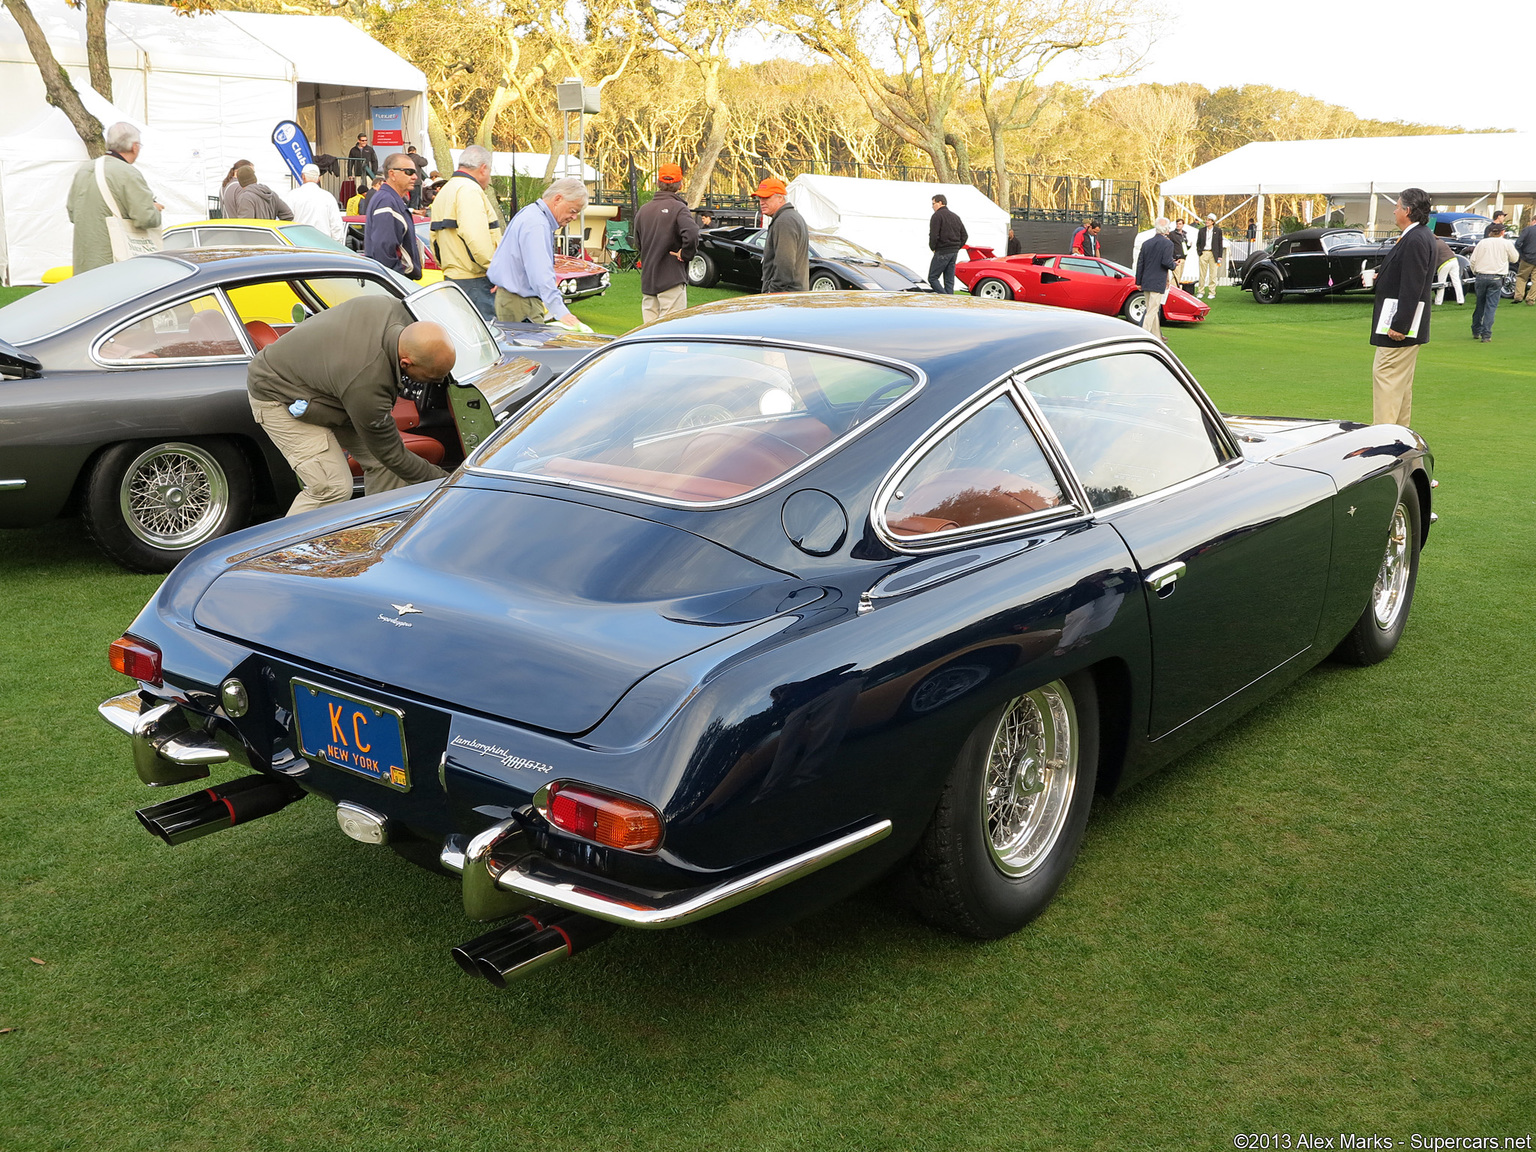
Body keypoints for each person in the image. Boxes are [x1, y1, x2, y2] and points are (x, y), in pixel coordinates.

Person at [246, 295, 454, 515]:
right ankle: (281, 548)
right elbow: (393, 455)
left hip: (326, 389)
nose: (437, 383)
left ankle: (378, 529)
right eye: (431, 378)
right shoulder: (368, 382)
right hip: (277, 393)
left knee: (385, 465)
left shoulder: (391, 307)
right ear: (406, 362)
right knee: (331, 488)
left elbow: (388, 458)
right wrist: (450, 485)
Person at [487, 176, 593, 330]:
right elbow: (540, 274)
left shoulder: (530, 213)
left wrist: (505, 280)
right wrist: (561, 312)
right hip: (521, 304)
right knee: (531, 353)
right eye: (573, 211)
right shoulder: (537, 224)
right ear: (557, 199)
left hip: (511, 299)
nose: (574, 217)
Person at [1369, 187, 1436, 426]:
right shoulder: (1417, 235)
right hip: (1405, 325)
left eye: (1397, 206)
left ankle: (1384, 440)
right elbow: (1406, 275)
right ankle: (1399, 437)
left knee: (1387, 378)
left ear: (1407, 210)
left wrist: (1400, 324)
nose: (1395, 211)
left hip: (1400, 328)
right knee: (1400, 384)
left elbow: (1413, 285)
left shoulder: (1416, 238)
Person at [66, 121, 163, 273]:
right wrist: (155, 209)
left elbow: (72, 214)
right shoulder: (128, 173)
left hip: (83, 262)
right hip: (114, 262)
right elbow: (145, 218)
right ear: (134, 147)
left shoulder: (83, 170)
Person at [428, 144, 504, 321]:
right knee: (484, 341)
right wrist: (496, 271)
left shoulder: (445, 191)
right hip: (476, 280)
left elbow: (434, 238)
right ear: (483, 168)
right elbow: (475, 237)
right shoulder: (470, 190)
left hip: (453, 278)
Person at [633, 161, 700, 323]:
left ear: (658, 183)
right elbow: (691, 233)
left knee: (648, 334)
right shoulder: (679, 208)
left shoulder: (644, 210)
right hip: (671, 280)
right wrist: (686, 254)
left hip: (649, 281)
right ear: (680, 185)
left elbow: (638, 243)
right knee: (671, 336)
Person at [364, 153, 422, 279]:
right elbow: (383, 250)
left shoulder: (391, 200)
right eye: (409, 172)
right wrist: (398, 281)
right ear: (392, 174)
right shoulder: (386, 201)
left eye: (415, 172)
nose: (415, 177)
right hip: (393, 283)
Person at [752, 177, 808, 293]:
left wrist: (772, 292)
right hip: (791, 296)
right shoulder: (789, 217)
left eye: (766, 197)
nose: (762, 202)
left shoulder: (784, 221)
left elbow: (785, 263)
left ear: (780, 198)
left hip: (785, 298)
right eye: (760, 198)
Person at [1468, 223, 1519, 342]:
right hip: (1496, 277)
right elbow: (1515, 258)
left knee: (1480, 304)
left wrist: (1476, 272)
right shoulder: (1506, 243)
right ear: (1502, 232)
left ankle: (1476, 330)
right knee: (1491, 306)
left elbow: (1473, 260)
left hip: (1481, 276)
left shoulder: (1482, 243)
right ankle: (1486, 334)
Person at [1134, 217, 1177, 340]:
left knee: (1152, 309)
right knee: (1152, 311)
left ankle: (1156, 336)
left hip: (1146, 281)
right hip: (1158, 282)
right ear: (1165, 229)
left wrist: (1138, 281)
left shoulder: (1146, 243)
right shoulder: (1168, 244)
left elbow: (1140, 263)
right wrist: (1174, 265)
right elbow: (1166, 262)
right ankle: (1142, 336)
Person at [289, 163, 344, 241]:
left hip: (299, 244)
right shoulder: (328, 197)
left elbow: (286, 221)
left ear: (303, 176)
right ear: (319, 179)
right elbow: (336, 226)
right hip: (323, 246)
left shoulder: (292, 196)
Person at [927, 193, 968, 294]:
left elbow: (934, 235)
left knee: (932, 277)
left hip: (942, 251)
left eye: (933, 203)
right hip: (953, 252)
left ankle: (945, 297)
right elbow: (965, 235)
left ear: (940, 203)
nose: (932, 206)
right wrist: (957, 247)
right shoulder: (955, 217)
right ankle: (950, 302)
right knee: (949, 281)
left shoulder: (937, 216)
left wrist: (933, 247)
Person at [1196, 212, 1224, 300]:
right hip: (1204, 253)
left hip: (1213, 254)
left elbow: (1220, 244)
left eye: (1208, 220)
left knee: (1213, 274)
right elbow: (1198, 243)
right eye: (1206, 220)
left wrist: (1220, 256)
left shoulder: (1218, 231)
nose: (1206, 221)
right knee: (1202, 274)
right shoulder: (1201, 230)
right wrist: (1199, 252)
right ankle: (1201, 291)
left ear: (1212, 222)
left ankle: (1212, 292)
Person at [1513, 214, 1536, 304]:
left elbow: (1518, 243)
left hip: (1527, 258)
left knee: (1522, 277)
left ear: (1534, 221)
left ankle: (1519, 296)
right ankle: (1531, 299)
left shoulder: (1528, 230)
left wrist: (1521, 254)